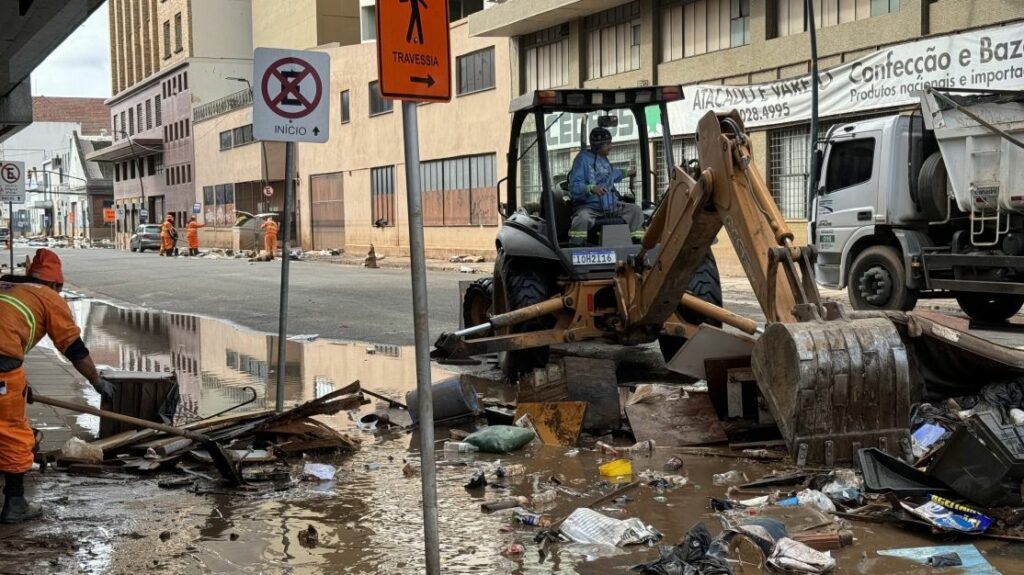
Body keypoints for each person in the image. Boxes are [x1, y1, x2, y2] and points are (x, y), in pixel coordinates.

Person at [0, 249, 112, 523]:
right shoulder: (48, 297)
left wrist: (19, 384)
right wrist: (97, 381)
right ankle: (15, 504)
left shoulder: (6, 286)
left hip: (6, 370)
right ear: (55, 285)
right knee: (12, 432)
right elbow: (73, 348)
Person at [567, 127, 644, 246]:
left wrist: (626, 173)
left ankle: (637, 246)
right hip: (589, 208)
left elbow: (611, 175)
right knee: (581, 219)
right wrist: (590, 188)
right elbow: (574, 187)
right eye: (608, 144)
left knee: (636, 211)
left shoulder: (604, 160)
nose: (611, 146)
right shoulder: (582, 160)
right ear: (598, 145)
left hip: (611, 207)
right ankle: (576, 247)